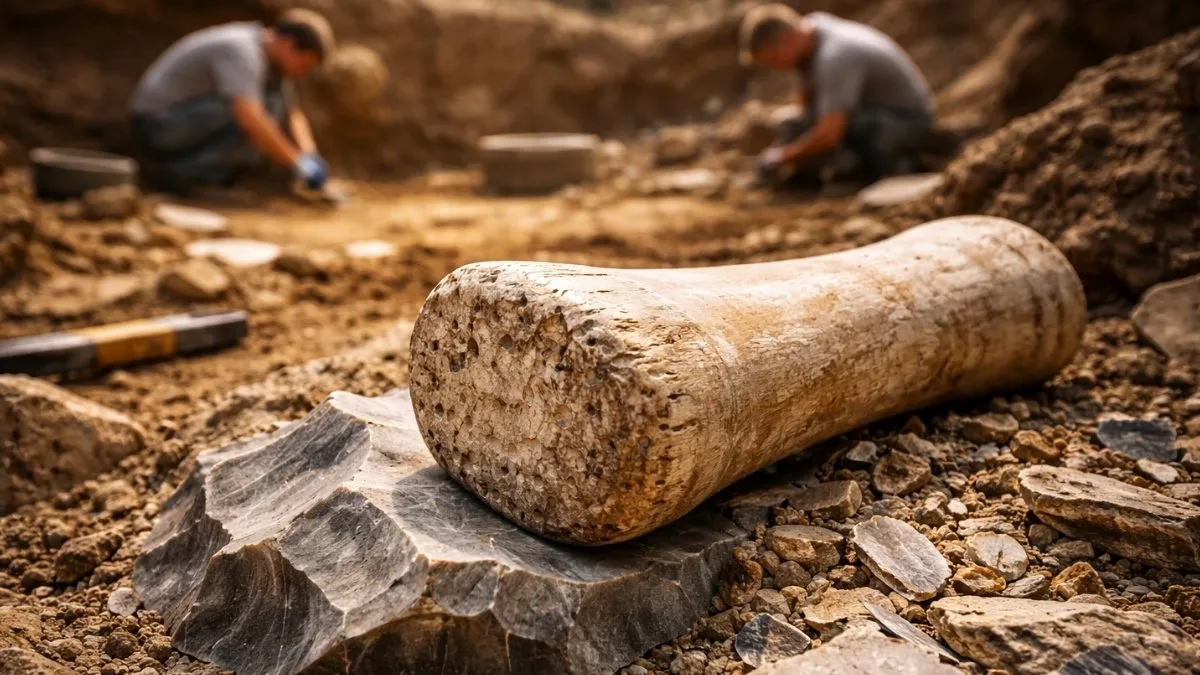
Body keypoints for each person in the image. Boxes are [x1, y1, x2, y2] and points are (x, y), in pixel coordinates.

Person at [129, 9, 335, 197]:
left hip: (182, 122)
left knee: (271, 104)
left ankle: (195, 174)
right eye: (303, 65)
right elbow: (249, 118)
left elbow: (293, 113)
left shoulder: (270, 62)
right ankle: (177, 175)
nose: (301, 73)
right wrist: (296, 164)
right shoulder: (242, 52)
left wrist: (310, 155)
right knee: (255, 114)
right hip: (157, 126)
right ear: (289, 44)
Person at [738, 4, 934, 188]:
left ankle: (888, 167)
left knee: (846, 129)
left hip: (907, 122)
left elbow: (829, 134)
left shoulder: (835, 57)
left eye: (774, 59)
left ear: (788, 38)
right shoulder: (810, 34)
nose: (775, 68)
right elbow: (803, 107)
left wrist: (782, 157)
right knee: (790, 122)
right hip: (870, 111)